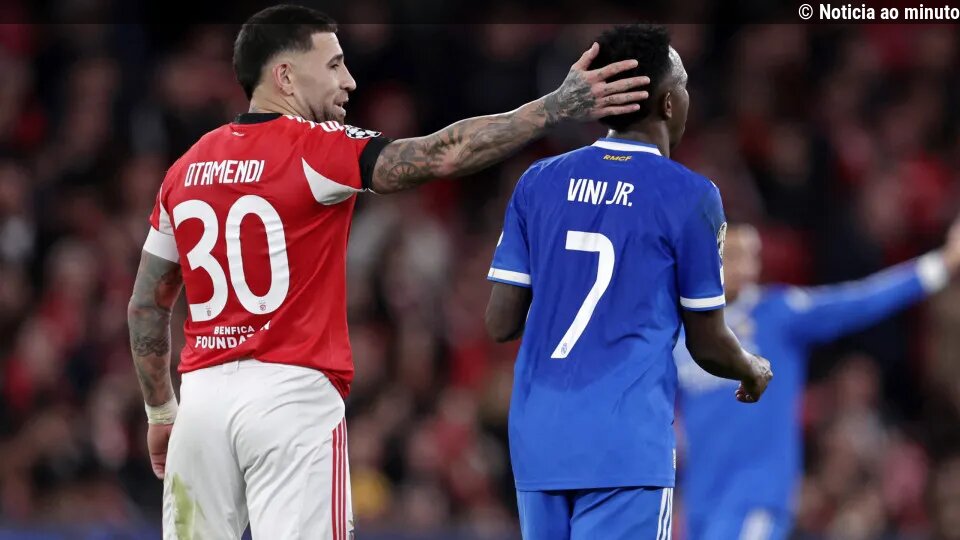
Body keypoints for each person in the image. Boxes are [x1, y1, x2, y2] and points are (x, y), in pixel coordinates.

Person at [126, 5, 653, 539]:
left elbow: (147, 305)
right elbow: (442, 155)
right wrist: (552, 107)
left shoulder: (184, 170)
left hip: (201, 405)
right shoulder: (316, 148)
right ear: (284, 76)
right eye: (333, 65)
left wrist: (162, 413)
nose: (349, 81)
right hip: (291, 400)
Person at [483, 24, 773, 540]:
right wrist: (750, 369)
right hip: (626, 445)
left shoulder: (537, 181)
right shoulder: (690, 196)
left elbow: (500, 322)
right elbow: (707, 343)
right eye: (683, 85)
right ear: (668, 102)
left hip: (539, 439)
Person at [674, 221, 960, 540]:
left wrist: (942, 264)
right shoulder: (682, 335)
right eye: (731, 254)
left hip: (754, 501)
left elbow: (861, 300)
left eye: (749, 255)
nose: (743, 264)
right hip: (698, 506)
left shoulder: (777, 314)